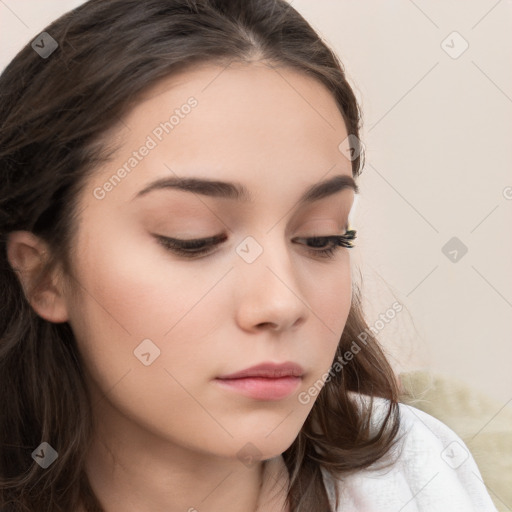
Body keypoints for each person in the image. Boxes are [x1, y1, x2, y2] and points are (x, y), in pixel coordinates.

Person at [0, 1, 497, 511]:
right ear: (43, 274)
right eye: (194, 238)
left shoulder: (411, 473)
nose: (282, 304)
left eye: (322, 237)